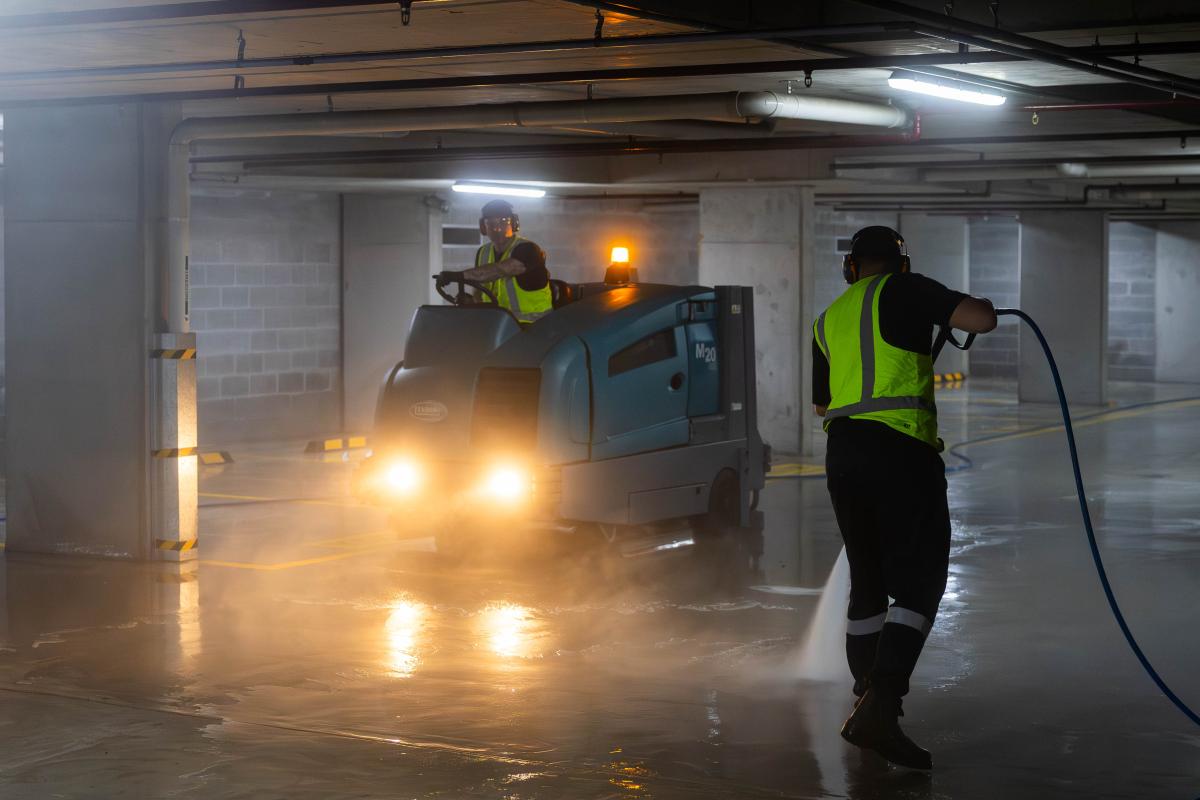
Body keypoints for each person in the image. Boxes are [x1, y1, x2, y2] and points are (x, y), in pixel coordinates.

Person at [812, 225, 997, 770]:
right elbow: (979, 319)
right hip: (901, 453)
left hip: (843, 455)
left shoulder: (827, 318)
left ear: (850, 268)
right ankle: (882, 704)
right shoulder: (906, 288)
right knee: (920, 580)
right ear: (901, 263)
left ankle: (866, 695)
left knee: (867, 583)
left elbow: (823, 405)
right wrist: (976, 304)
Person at [438, 199, 552, 325]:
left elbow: (500, 270)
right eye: (490, 223)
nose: (497, 228)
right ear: (483, 227)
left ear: (514, 224)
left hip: (535, 326)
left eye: (504, 222)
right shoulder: (483, 252)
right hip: (499, 325)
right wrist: (473, 304)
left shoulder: (528, 249)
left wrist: (459, 276)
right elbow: (479, 290)